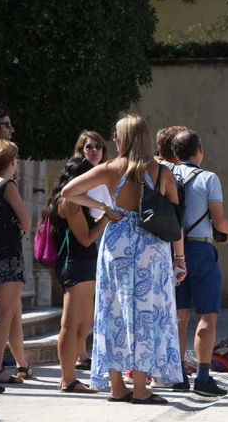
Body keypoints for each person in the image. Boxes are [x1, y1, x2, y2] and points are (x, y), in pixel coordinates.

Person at [62, 114, 186, 404]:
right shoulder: (161, 172)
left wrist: (104, 206)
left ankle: (118, 388)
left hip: (117, 242)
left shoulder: (110, 168)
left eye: (117, 135)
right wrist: (180, 258)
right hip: (150, 247)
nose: (114, 140)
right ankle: (141, 389)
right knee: (146, 313)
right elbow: (175, 222)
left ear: (126, 138)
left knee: (113, 311)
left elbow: (69, 192)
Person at [170, 129, 228, 396]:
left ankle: (177, 375)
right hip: (199, 249)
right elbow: (218, 220)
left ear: (174, 153)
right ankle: (203, 378)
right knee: (207, 315)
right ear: (200, 148)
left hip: (172, 249)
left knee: (178, 315)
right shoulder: (208, 177)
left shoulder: (167, 175)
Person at [46, 158, 111, 393]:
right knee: (70, 324)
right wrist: (107, 216)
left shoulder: (77, 201)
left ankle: (70, 378)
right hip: (75, 264)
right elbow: (85, 238)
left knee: (83, 325)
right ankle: (67, 379)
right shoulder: (70, 202)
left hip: (83, 264)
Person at [0, 106, 30, 381]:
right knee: (5, 314)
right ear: (11, 161)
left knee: (8, 313)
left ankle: (20, 364)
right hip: (8, 258)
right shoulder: (7, 186)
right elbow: (26, 221)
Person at [69, 130, 109, 370]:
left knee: (91, 301)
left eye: (98, 147)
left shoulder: (105, 173)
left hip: (103, 234)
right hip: (89, 237)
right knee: (82, 303)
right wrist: (106, 210)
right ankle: (80, 353)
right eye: (89, 147)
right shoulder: (80, 173)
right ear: (81, 150)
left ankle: (82, 352)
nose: (94, 151)